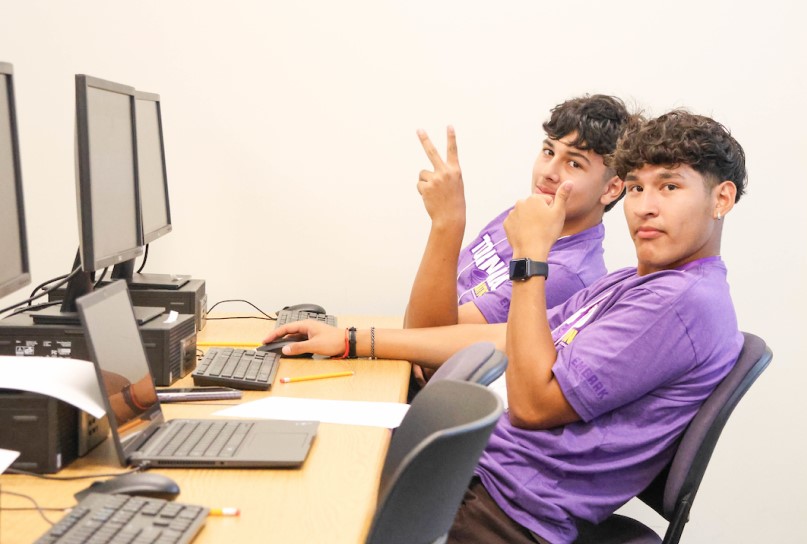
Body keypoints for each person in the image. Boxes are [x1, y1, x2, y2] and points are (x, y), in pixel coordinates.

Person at [264, 110, 748, 543]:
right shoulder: (636, 283)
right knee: (293, 451)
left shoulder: (681, 302)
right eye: (639, 187)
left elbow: (535, 405)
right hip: (478, 469)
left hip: (507, 511)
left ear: (721, 198)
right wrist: (352, 341)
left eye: (669, 186)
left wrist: (531, 260)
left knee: (289, 508)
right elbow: (505, 337)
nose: (644, 205)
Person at [404, 94, 633, 330]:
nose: (548, 172)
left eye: (574, 163)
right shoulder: (529, 214)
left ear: (612, 188)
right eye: (548, 152)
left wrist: (448, 221)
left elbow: (425, 335)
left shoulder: (567, 275)